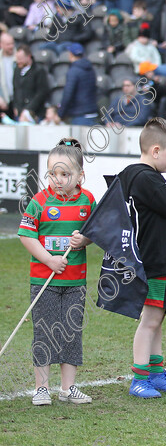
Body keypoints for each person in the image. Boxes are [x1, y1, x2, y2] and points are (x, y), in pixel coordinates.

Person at [19, 139, 95, 406]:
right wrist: (49, 260)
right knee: (45, 332)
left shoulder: (88, 201)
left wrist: (83, 240)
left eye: (65, 174)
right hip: (44, 281)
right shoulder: (38, 202)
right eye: (53, 174)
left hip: (76, 282)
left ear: (80, 175)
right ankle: (41, 388)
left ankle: (68, 387)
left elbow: (95, 232)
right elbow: (26, 236)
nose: (58, 180)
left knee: (71, 333)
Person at [119, 118, 166, 398]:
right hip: (155, 261)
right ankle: (139, 378)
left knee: (157, 318)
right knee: (150, 319)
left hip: (164, 260)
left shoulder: (141, 176)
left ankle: (157, 373)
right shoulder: (144, 177)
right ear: (156, 150)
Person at [58, 43, 98, 126]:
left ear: (71, 54)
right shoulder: (91, 69)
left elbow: (68, 94)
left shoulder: (73, 71)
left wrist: (61, 113)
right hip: (92, 112)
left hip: (80, 114)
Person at [12, 44, 49, 122]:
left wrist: (28, 109)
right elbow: (15, 89)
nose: (18, 61)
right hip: (19, 114)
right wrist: (15, 106)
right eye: (17, 59)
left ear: (28, 57)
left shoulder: (39, 70)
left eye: (20, 59)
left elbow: (42, 92)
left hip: (35, 114)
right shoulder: (17, 70)